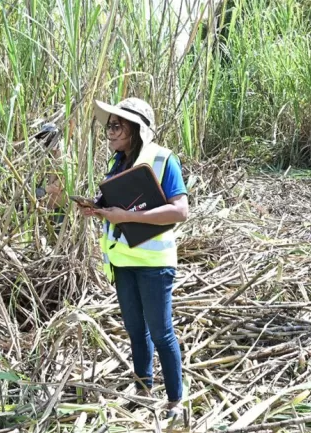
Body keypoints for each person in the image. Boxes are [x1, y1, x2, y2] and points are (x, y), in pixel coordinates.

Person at [80, 98, 188, 419]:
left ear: (136, 129)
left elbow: (180, 210)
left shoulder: (164, 159)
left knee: (161, 332)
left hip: (154, 265)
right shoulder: (118, 163)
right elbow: (117, 207)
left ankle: (175, 402)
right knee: (135, 331)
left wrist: (126, 216)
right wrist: (97, 209)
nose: (110, 132)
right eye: (108, 126)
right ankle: (143, 391)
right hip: (122, 261)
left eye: (117, 126)